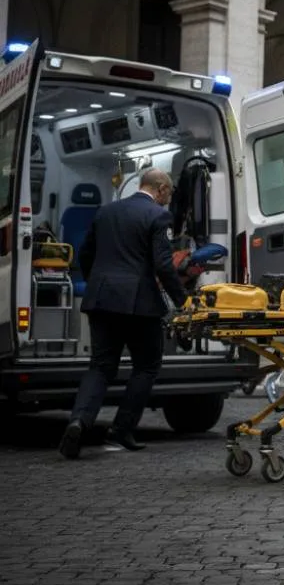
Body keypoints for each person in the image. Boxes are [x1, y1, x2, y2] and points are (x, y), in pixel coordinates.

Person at [59, 168, 188, 458]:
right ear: (161, 189)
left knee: (101, 366)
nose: (167, 201)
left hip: (102, 299)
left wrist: (97, 283)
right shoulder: (158, 216)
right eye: (168, 195)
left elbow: (85, 254)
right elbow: (164, 266)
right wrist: (183, 301)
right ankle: (122, 429)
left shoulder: (106, 212)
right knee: (146, 365)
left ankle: (79, 421)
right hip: (139, 304)